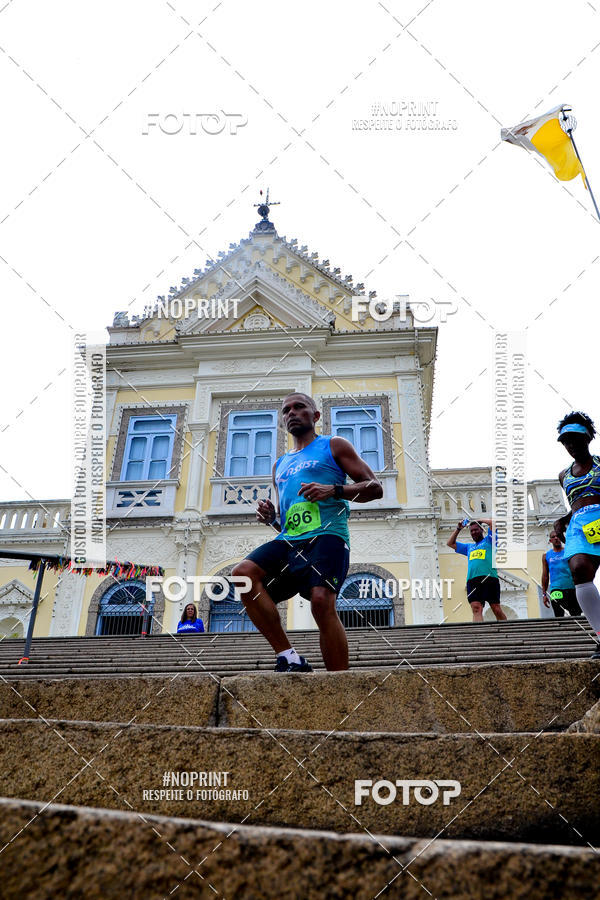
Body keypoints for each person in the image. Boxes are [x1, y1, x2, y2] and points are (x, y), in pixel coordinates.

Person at [232, 392, 383, 672]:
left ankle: (339, 681)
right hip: (289, 540)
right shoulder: (279, 465)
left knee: (321, 601)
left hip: (328, 535)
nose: (291, 412)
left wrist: (334, 490)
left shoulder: (334, 445)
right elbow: (286, 522)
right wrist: (271, 518)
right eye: (286, 409)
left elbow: (375, 488)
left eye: (299, 407)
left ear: (315, 416)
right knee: (243, 574)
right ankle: (289, 657)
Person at [554, 411, 600, 658]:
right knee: (580, 570)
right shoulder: (565, 476)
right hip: (579, 527)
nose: (571, 445)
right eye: (566, 441)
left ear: (588, 438)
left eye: (576, 439)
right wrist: (562, 521)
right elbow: (575, 505)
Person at [447, 518, 507, 623]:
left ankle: (507, 628)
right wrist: (458, 528)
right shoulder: (469, 547)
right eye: (471, 531)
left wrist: (478, 520)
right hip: (473, 580)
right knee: (476, 608)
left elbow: (493, 523)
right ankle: (480, 633)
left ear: (482, 530)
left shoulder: (490, 540)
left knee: (496, 608)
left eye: (476, 530)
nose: (474, 532)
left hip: (490, 578)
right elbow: (450, 543)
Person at [541, 530, 581, 617]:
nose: (556, 538)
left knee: (576, 615)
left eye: (558, 536)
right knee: (559, 615)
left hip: (571, 588)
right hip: (556, 589)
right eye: (553, 537)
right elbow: (545, 576)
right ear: (550, 541)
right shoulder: (546, 556)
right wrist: (544, 594)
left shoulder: (569, 551)